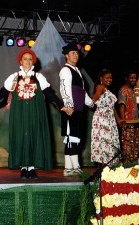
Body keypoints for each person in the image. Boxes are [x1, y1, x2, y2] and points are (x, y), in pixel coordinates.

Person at [0, 49, 73, 179]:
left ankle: (32, 168)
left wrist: (62, 106)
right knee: (21, 136)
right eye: (25, 59)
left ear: (33, 61)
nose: (27, 61)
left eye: (30, 59)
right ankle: (23, 168)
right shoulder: (14, 77)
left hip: (35, 112)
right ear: (20, 62)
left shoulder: (39, 78)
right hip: (19, 112)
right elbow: (2, 92)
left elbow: (50, 94)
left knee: (34, 136)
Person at [59, 43, 94, 177]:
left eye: (77, 53)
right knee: (71, 138)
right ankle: (74, 166)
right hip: (71, 109)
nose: (76, 55)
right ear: (67, 56)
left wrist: (91, 104)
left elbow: (82, 93)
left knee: (74, 138)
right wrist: (69, 106)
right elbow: (64, 89)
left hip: (79, 109)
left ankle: (69, 167)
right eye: (73, 53)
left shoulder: (77, 71)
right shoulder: (66, 70)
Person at [90, 69, 122, 167]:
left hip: (110, 119)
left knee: (111, 142)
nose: (110, 79)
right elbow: (95, 96)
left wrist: (118, 120)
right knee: (104, 142)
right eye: (107, 77)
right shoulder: (100, 87)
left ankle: (111, 167)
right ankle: (104, 169)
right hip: (102, 119)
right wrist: (91, 101)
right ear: (101, 78)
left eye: (111, 78)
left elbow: (112, 108)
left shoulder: (108, 91)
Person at [118, 70, 139, 163]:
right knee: (127, 144)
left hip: (136, 121)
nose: (133, 80)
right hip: (127, 121)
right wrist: (123, 120)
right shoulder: (123, 90)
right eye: (131, 77)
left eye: (135, 78)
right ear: (126, 78)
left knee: (135, 144)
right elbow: (121, 106)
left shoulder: (135, 90)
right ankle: (127, 164)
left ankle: (134, 165)